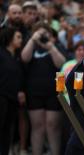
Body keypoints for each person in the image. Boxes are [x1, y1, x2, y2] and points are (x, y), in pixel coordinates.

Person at [21, 22, 66, 155]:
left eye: (45, 33)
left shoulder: (55, 47)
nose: (42, 36)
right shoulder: (31, 46)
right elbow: (24, 58)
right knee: (37, 127)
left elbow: (61, 64)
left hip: (54, 93)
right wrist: (32, 39)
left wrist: (51, 47)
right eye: (40, 33)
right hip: (34, 93)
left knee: (53, 126)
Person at [0, 27, 23, 155]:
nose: (21, 40)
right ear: (10, 39)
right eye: (18, 37)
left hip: (12, 98)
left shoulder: (16, 56)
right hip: (1, 97)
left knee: (7, 130)